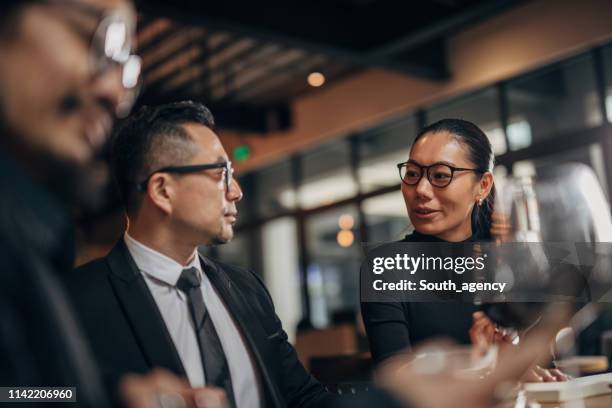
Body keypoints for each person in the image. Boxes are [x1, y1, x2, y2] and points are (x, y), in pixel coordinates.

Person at [0, 2, 229, 407]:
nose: (112, 92)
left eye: (124, 65)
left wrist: (115, 395)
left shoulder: (28, 235)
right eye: (99, 38)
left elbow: (17, 392)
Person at [63, 101, 340, 408]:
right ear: (163, 190)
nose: (236, 191)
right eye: (222, 172)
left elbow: (303, 398)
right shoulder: (73, 300)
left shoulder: (248, 288)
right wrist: (114, 396)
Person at [361, 119, 568, 382]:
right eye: (413, 174)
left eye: (440, 175)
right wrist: (496, 372)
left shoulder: (512, 260)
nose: (421, 190)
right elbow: (397, 383)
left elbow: (541, 359)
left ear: (482, 185)